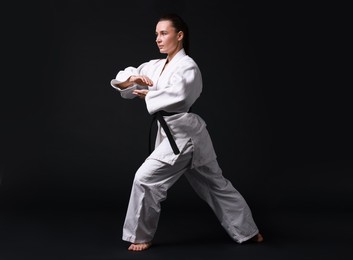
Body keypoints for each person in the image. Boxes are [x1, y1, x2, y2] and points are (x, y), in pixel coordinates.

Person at [110, 13, 263, 251]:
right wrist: (133, 79)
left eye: (164, 33)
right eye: (156, 35)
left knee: (145, 179)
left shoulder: (188, 66)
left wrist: (150, 94)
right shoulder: (156, 65)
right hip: (177, 135)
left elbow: (180, 95)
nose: (158, 39)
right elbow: (124, 77)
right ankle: (249, 232)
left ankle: (140, 236)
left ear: (179, 35)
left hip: (184, 137)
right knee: (216, 186)